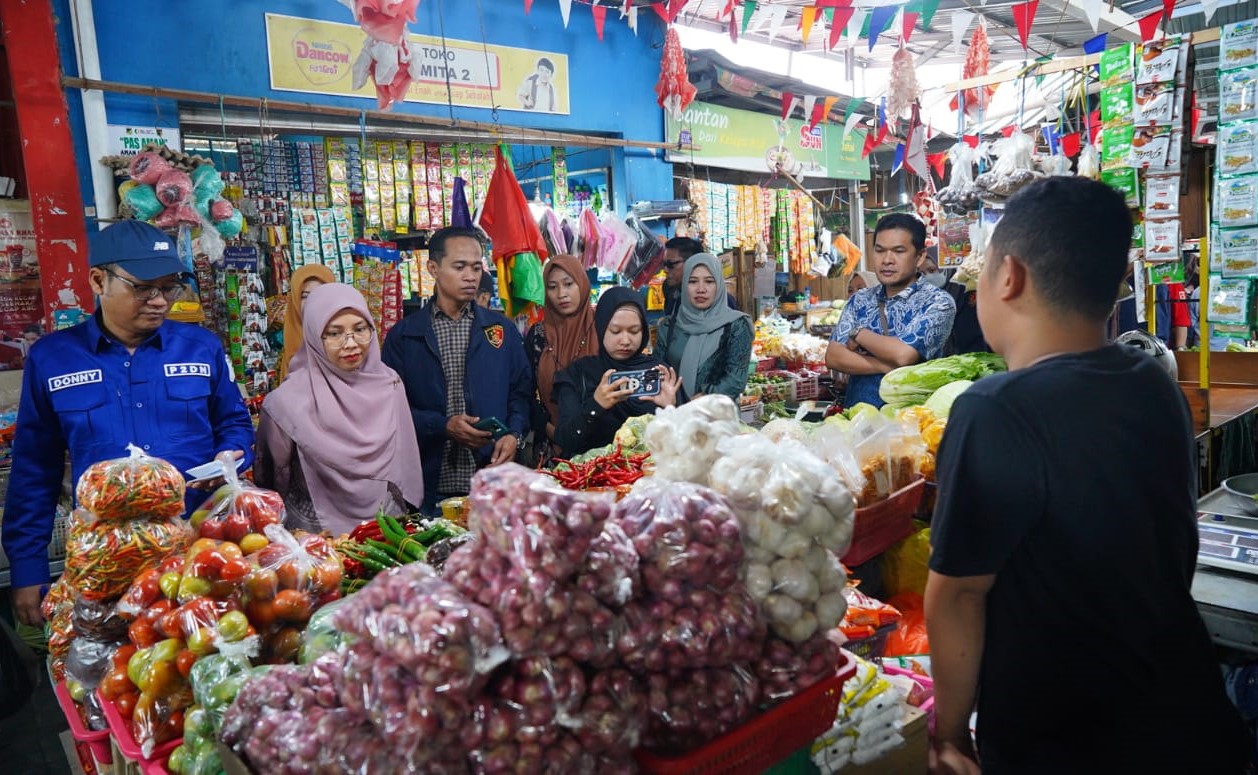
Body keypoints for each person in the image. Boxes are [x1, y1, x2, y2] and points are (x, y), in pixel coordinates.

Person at [924, 177, 1248, 775]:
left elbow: (959, 594)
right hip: (1188, 714)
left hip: (1065, 739)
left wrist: (947, 736)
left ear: (1008, 276)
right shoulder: (1154, 382)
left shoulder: (994, 408)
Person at [3, 220, 254, 626]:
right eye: (143, 287)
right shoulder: (53, 359)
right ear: (99, 280)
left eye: (169, 287)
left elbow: (235, 424)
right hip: (106, 559)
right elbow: (34, 470)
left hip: (199, 549)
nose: (159, 300)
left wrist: (232, 455)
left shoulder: (202, 347)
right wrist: (28, 567)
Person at [382, 227, 531, 513]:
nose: (470, 276)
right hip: (427, 488)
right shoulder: (405, 336)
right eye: (459, 266)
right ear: (433, 268)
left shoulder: (500, 331)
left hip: (492, 484)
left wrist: (514, 434)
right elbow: (390, 410)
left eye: (476, 267)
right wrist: (442, 426)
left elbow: (520, 393)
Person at [255, 284, 423, 536]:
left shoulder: (389, 384)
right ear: (313, 336)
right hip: (316, 535)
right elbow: (271, 478)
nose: (351, 344)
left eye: (360, 329)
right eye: (334, 334)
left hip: (387, 528)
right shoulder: (286, 403)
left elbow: (404, 458)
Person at [825, 214, 956, 408]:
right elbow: (834, 356)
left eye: (898, 251)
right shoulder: (860, 300)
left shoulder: (938, 302)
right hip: (857, 423)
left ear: (919, 257)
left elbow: (903, 354)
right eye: (880, 251)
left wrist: (858, 333)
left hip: (912, 425)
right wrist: (886, 366)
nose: (887, 260)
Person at [553, 287, 682, 457]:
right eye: (615, 331)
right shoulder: (580, 373)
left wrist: (671, 410)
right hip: (594, 477)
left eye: (634, 331)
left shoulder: (657, 372)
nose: (625, 340)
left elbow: (684, 443)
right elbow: (565, 440)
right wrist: (595, 405)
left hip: (648, 477)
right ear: (601, 327)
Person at [524, 255, 598, 462]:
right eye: (552, 287)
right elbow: (524, 392)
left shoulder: (604, 328)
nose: (561, 294)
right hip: (550, 446)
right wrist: (549, 429)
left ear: (582, 284)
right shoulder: (538, 335)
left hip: (601, 445)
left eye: (568, 284)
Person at [656, 253, 753, 400]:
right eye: (693, 281)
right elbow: (659, 372)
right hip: (676, 416)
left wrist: (703, 398)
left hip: (719, 417)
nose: (701, 289)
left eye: (709, 281)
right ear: (684, 285)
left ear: (719, 285)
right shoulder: (668, 326)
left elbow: (736, 380)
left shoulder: (736, 325)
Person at [279, 264, 336, 382]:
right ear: (295, 300)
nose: (313, 301)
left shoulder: (344, 340)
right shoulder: (290, 344)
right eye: (305, 296)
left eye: (320, 294)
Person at [662, 237, 737, 316]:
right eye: (664, 264)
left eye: (671, 264)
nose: (665, 270)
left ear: (692, 262)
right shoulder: (670, 290)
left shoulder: (722, 301)